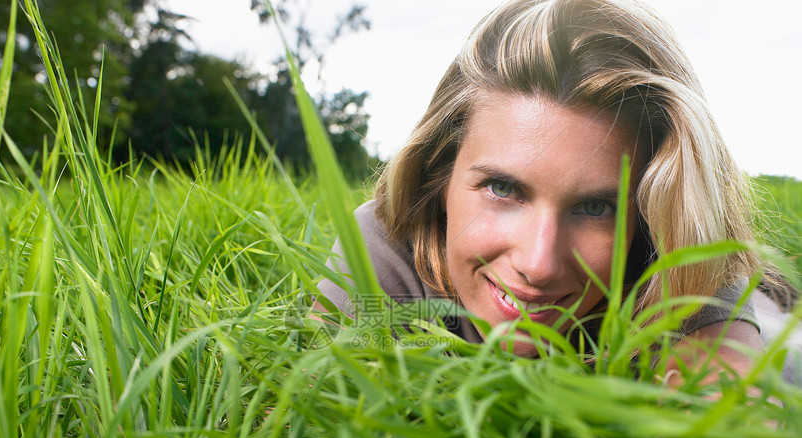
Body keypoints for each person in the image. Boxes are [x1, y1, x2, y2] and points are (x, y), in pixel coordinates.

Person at [317, 0, 798, 383]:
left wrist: (717, 332)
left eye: (596, 207)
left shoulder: (682, 269)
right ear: (439, 173)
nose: (538, 264)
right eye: (502, 188)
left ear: (650, 218)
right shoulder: (381, 250)